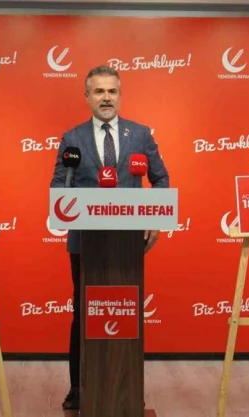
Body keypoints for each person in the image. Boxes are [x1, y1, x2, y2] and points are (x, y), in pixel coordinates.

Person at [49, 65, 170, 410]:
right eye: (99, 91)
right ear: (87, 96)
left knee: (125, 309)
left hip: (127, 244)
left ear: (120, 95)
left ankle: (126, 387)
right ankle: (78, 387)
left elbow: (161, 179)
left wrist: (155, 219)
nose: (106, 98)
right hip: (85, 243)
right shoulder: (72, 139)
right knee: (83, 312)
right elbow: (58, 187)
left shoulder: (141, 135)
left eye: (112, 91)